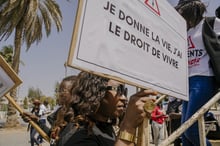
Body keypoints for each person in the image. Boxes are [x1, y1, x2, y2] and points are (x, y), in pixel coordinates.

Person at [60, 71, 157, 146]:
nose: (124, 98)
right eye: (118, 90)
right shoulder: (77, 135)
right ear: (96, 92)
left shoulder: (104, 127)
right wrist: (128, 126)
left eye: (124, 91)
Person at [175, 0, 220, 145]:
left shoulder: (211, 23)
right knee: (184, 132)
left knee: (192, 129)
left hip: (204, 79)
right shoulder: (186, 30)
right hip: (187, 81)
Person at [21, 75, 77, 146]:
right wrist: (37, 120)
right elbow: (52, 137)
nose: (59, 94)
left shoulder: (81, 124)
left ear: (75, 94)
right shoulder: (60, 116)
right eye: (59, 91)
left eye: (63, 91)